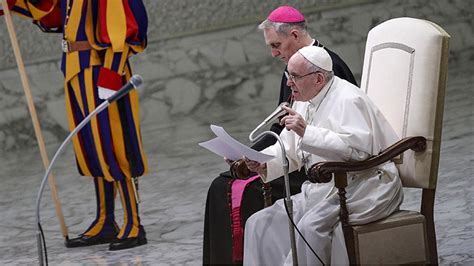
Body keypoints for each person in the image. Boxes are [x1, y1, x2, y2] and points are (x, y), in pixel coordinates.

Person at [203, 5, 358, 264]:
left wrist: (262, 158)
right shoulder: (297, 68)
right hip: (295, 155)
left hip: (319, 167)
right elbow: (281, 129)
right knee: (222, 183)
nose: (274, 53)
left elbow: (344, 140)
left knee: (234, 188)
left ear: (295, 35)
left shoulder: (326, 70)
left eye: (276, 45)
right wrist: (250, 154)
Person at [5, 0, 149, 250]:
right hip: (75, 69)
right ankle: (105, 221)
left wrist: (112, 74)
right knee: (93, 149)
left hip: (101, 70)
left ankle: (133, 223)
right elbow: (53, 14)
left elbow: (120, 28)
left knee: (116, 147)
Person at [242, 46, 403, 265]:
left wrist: (307, 132)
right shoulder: (302, 99)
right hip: (324, 189)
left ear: (318, 78)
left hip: (363, 185)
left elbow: (358, 153)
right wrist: (261, 162)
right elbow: (290, 150)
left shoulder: (348, 99)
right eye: (289, 76)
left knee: (311, 227)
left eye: (295, 77)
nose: (289, 83)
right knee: (258, 223)